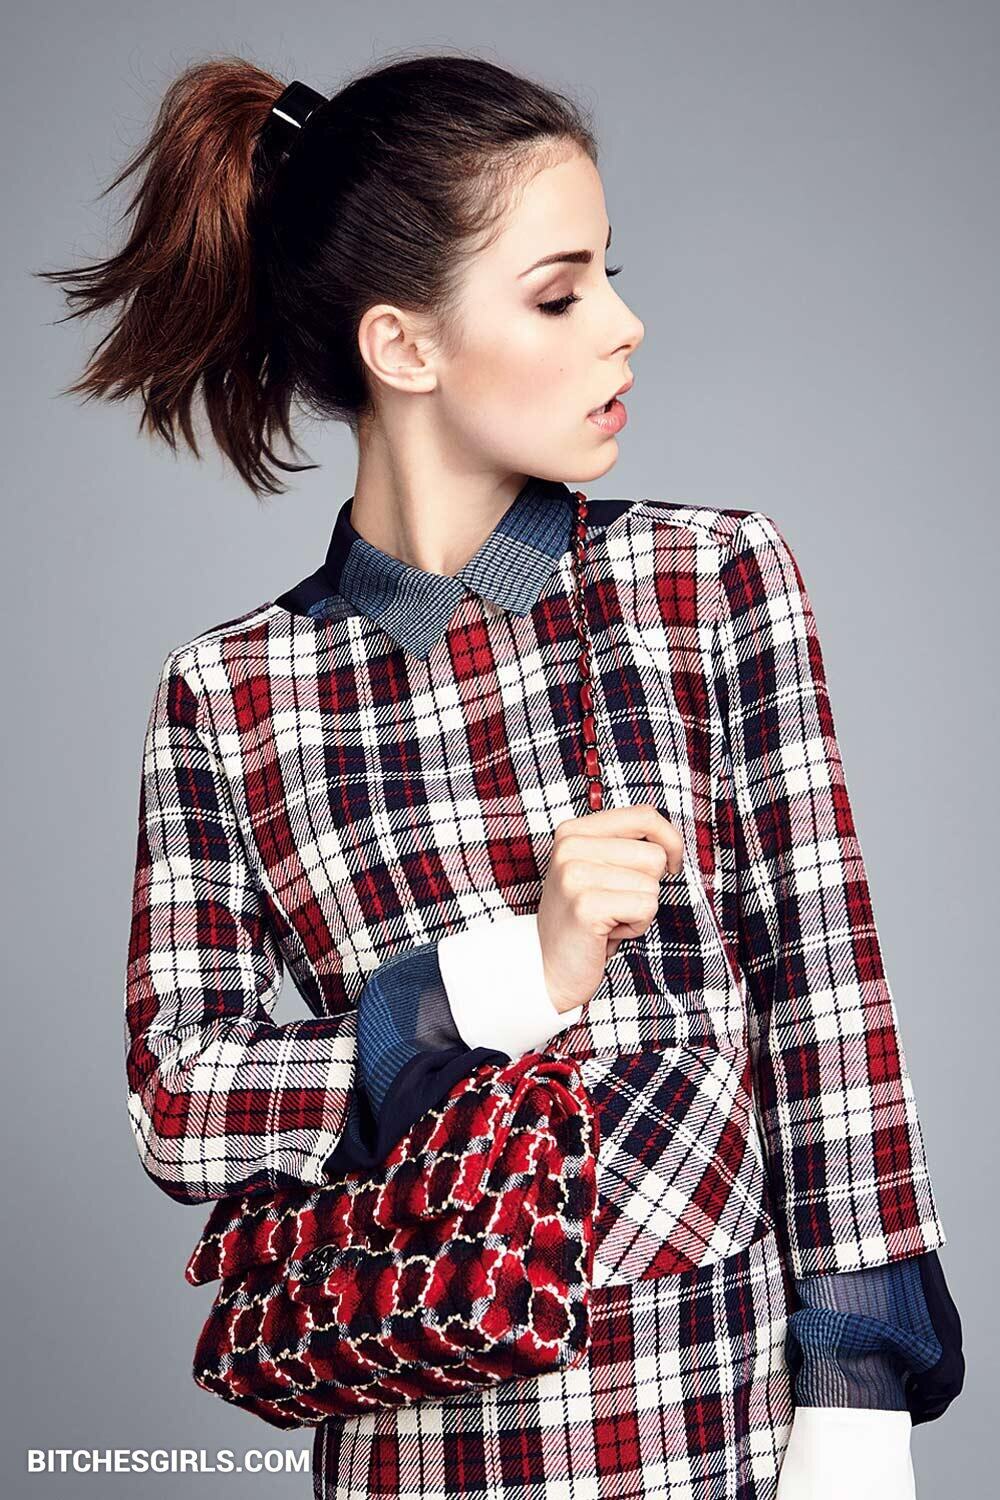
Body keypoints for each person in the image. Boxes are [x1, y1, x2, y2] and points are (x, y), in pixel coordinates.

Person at [39, 49, 963, 1500]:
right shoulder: (231, 693)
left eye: (609, 276)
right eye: (558, 294)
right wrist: (490, 987)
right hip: (413, 1434)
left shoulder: (709, 579)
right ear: (405, 348)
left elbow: (827, 1003)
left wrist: (858, 1405)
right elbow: (178, 1098)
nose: (626, 326)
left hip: (714, 1425)